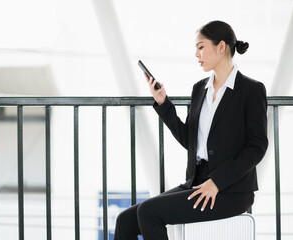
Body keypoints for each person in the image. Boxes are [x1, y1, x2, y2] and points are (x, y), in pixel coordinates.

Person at [114, 20, 268, 240]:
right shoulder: (200, 89)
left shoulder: (251, 90)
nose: (196, 53)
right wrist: (164, 104)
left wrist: (218, 181)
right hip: (197, 182)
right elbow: (190, 140)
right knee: (125, 219)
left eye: (201, 46)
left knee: (149, 213)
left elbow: (257, 147)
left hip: (231, 189)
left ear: (221, 47)